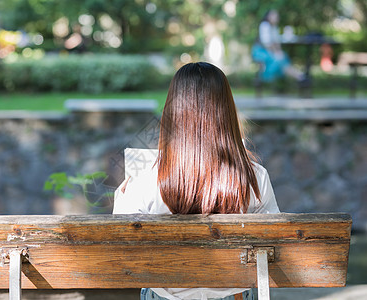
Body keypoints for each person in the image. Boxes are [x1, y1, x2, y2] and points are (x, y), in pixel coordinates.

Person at [113, 62, 280, 300]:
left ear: (173, 111)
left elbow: (121, 246)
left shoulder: (146, 180)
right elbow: (275, 246)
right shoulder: (255, 177)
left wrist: (122, 196)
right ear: (226, 111)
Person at [252, 9, 308, 84]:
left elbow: (277, 43)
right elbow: (267, 43)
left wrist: (279, 52)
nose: (276, 18)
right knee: (279, 60)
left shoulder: (274, 27)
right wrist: (276, 53)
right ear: (268, 17)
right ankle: (300, 77)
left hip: (269, 51)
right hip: (260, 52)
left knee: (283, 57)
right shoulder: (265, 25)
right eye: (274, 16)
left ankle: (300, 76)